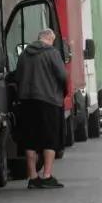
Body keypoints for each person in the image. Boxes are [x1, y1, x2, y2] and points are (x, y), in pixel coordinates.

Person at [14, 29, 68, 189]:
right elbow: (63, 76)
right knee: (50, 139)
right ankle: (47, 175)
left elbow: (17, 76)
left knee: (30, 140)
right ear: (50, 39)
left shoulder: (24, 54)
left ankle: (32, 177)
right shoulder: (52, 53)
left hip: (26, 102)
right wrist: (61, 92)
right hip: (48, 101)